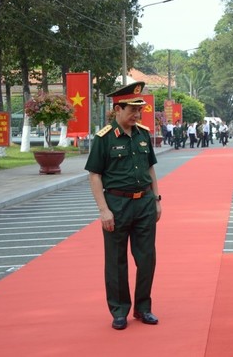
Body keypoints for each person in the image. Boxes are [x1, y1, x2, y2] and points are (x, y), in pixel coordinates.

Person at [84, 81, 162, 330]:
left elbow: (150, 167)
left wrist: (156, 199)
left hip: (145, 203)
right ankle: (119, 310)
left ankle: (143, 307)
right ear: (117, 109)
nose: (136, 115)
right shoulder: (104, 139)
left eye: (139, 111)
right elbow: (94, 175)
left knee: (147, 258)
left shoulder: (142, 134)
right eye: (132, 110)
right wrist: (103, 209)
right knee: (116, 261)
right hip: (116, 205)